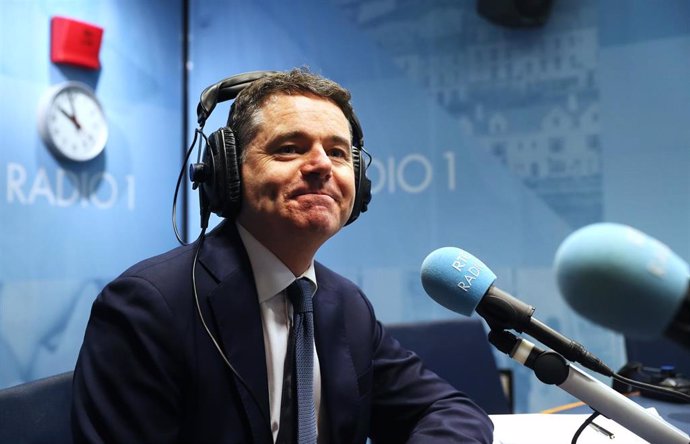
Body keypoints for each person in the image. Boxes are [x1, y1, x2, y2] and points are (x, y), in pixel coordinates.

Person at [71, 68, 494, 443]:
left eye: (338, 152)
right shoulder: (149, 306)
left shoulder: (344, 305)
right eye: (290, 148)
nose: (321, 166)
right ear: (227, 172)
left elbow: (449, 411)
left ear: (359, 185)